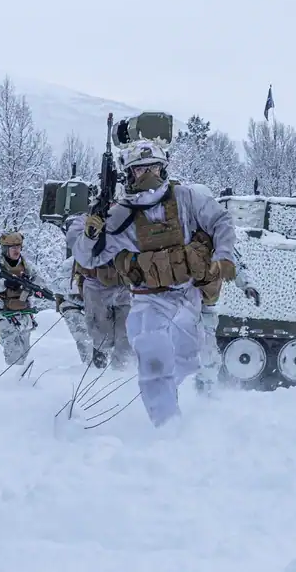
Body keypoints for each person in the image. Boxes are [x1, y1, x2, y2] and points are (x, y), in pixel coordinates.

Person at [73, 139, 237, 427]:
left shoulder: (186, 198)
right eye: (139, 169)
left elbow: (220, 222)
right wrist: (91, 231)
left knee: (187, 359)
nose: (147, 174)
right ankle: (168, 431)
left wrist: (224, 256)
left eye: (153, 167)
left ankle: (170, 397)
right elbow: (88, 258)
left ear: (164, 169)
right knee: (154, 363)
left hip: (187, 295)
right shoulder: (120, 215)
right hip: (148, 298)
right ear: (128, 175)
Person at [183, 183, 261, 397]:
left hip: (206, 305)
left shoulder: (217, 236)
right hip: (179, 303)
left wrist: (247, 285)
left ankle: (205, 393)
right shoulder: (178, 234)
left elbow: (234, 262)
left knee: (207, 353)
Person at [66, 213, 132, 370]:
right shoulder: (87, 219)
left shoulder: (130, 214)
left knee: (127, 337)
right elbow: (73, 242)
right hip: (96, 285)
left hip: (126, 285)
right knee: (101, 337)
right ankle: (98, 371)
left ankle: (122, 376)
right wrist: (89, 234)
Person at [0, 231, 51, 366]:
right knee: (14, 358)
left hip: (24, 316)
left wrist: (35, 289)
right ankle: (13, 384)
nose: (16, 250)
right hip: (4, 316)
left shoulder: (27, 266)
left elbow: (40, 282)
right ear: (5, 249)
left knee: (24, 355)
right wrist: (4, 283)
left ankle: (19, 383)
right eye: (13, 247)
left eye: (18, 247)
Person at [53, 251, 92, 364]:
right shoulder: (72, 262)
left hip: (98, 306)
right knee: (84, 335)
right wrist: (77, 285)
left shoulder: (105, 259)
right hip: (73, 305)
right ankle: (91, 367)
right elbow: (55, 285)